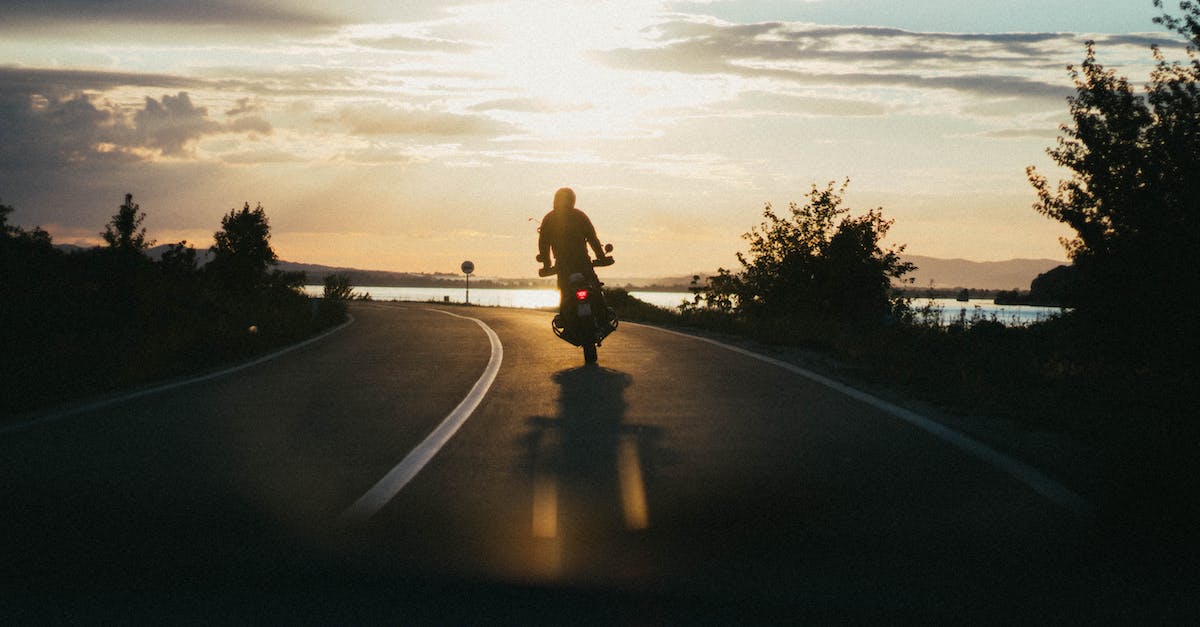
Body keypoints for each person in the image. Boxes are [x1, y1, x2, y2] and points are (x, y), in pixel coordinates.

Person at [537, 187, 610, 309]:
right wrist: (601, 257)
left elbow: (544, 245)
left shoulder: (549, 219)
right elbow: (593, 239)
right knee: (594, 288)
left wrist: (546, 264)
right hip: (582, 263)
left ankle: (567, 317)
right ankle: (601, 313)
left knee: (566, 292)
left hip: (564, 265)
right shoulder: (579, 216)